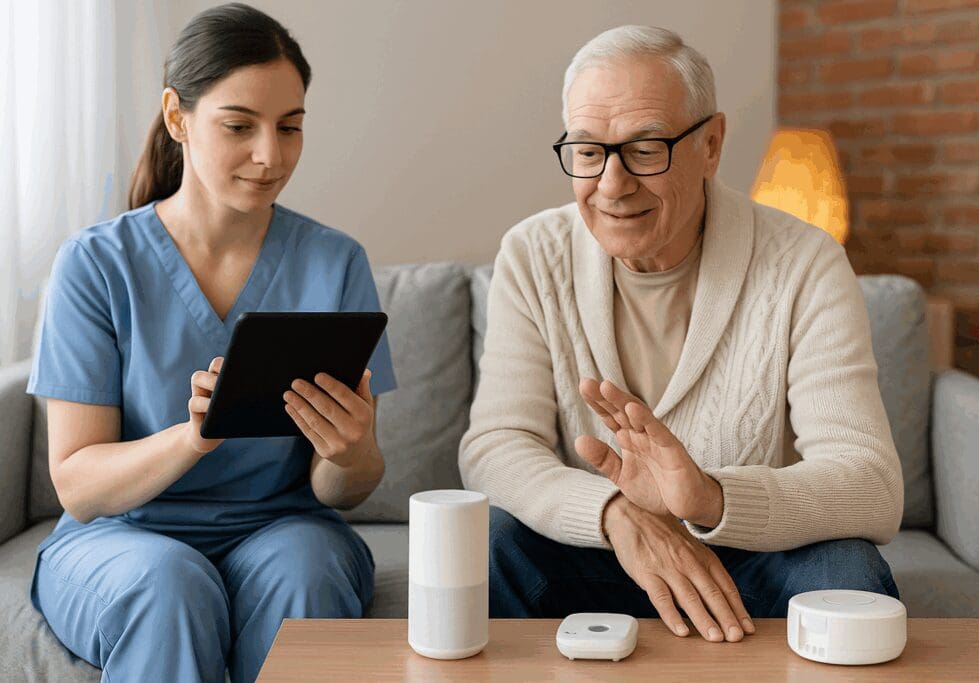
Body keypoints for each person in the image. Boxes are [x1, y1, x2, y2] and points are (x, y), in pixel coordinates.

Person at [460, 25, 903, 644]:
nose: (612, 185)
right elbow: (495, 446)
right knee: (488, 544)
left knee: (849, 574)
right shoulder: (534, 254)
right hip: (599, 549)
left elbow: (871, 483)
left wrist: (710, 499)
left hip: (756, 554)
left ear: (712, 144)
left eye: (646, 149)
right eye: (588, 152)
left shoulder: (805, 262)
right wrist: (614, 515)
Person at [27, 4, 396, 681]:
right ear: (178, 117)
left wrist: (352, 450)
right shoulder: (95, 265)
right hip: (123, 536)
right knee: (168, 582)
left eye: (290, 127)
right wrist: (192, 436)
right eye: (239, 126)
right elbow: (76, 484)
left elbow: (344, 488)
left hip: (284, 527)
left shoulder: (336, 262)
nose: (270, 155)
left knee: (306, 572)